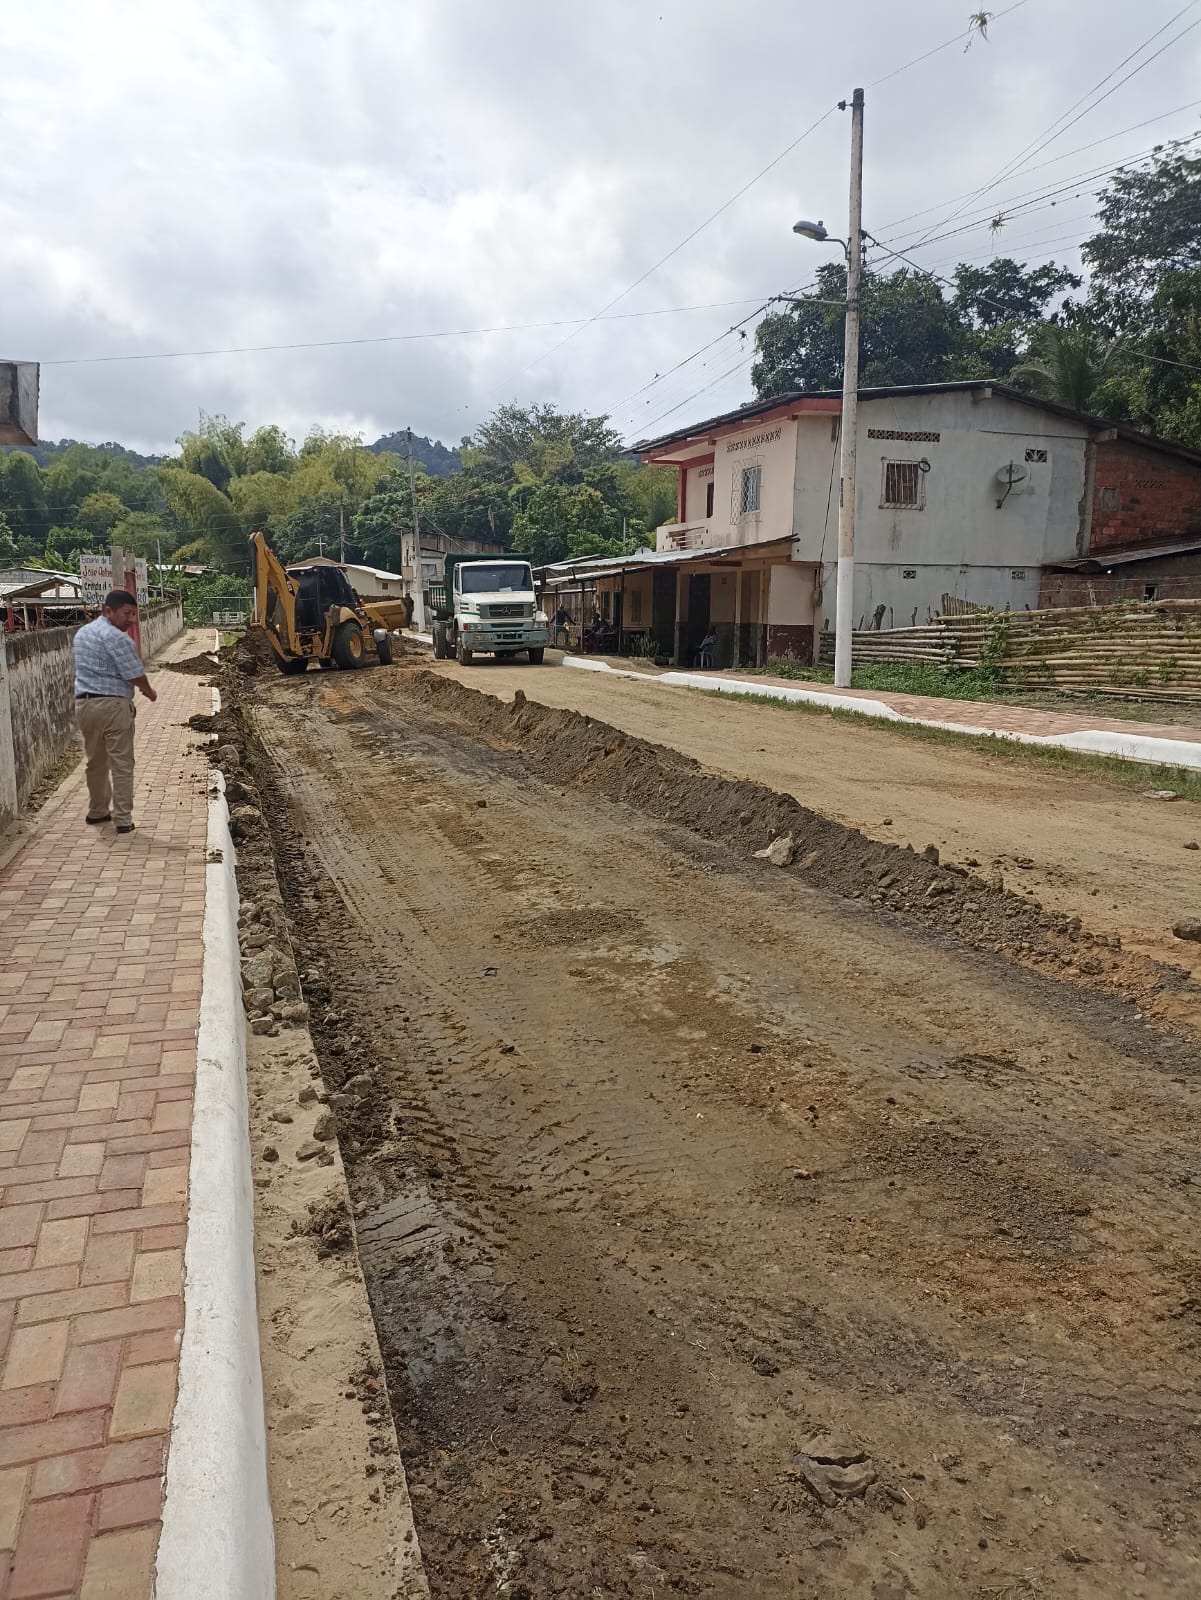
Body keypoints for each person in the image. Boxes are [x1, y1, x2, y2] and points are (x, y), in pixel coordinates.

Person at [72, 590, 157, 835]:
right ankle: (122, 819)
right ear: (108, 610)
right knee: (122, 763)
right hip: (113, 707)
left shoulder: (82, 634)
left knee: (95, 761)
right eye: (127, 613)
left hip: (85, 706)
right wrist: (149, 691)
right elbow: (134, 674)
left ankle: (97, 811)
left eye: (134, 614)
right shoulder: (118, 638)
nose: (131, 619)